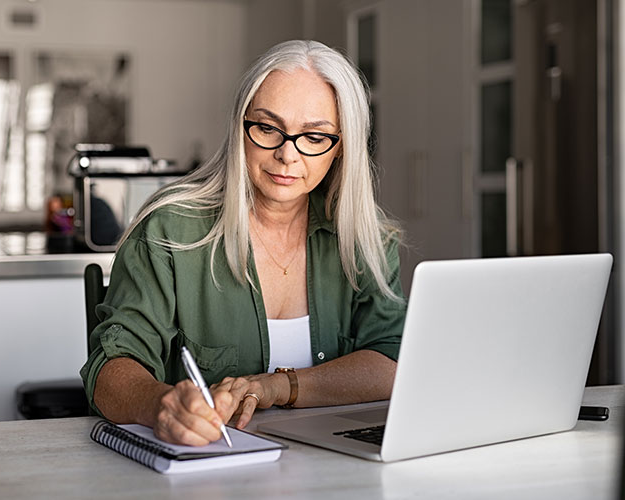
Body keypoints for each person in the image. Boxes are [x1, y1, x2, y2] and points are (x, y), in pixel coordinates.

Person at [80, 40, 406, 446]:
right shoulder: (169, 229)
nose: (287, 155)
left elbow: (391, 362)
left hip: (338, 465)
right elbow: (110, 367)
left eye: (315, 136)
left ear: (341, 148)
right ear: (240, 127)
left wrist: (277, 386)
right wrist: (159, 404)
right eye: (268, 128)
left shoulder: (365, 236)